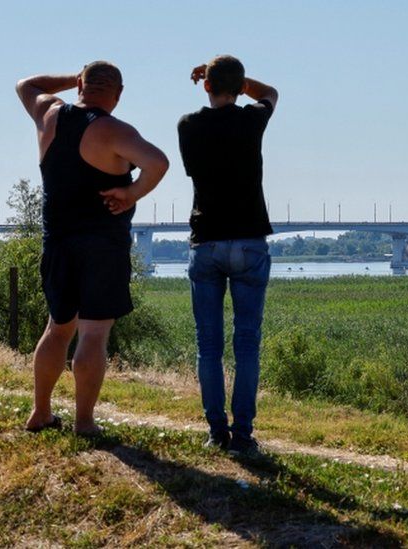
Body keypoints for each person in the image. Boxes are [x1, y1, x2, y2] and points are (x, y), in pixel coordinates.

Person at [16, 61, 169, 436]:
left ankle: (41, 412)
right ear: (118, 94)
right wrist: (130, 193)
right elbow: (158, 162)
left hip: (58, 243)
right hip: (103, 245)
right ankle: (84, 422)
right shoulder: (114, 130)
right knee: (94, 334)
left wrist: (75, 78)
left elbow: (26, 84)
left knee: (57, 329)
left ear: (81, 85)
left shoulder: (49, 114)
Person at [177, 55, 278, 454]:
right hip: (250, 239)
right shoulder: (253, 119)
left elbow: (192, 171)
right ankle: (244, 435)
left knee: (209, 345)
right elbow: (270, 93)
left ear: (205, 86)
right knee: (247, 343)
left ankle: (216, 432)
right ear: (238, 89)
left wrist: (219, 79)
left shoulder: (188, 125)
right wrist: (238, 83)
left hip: (207, 241)